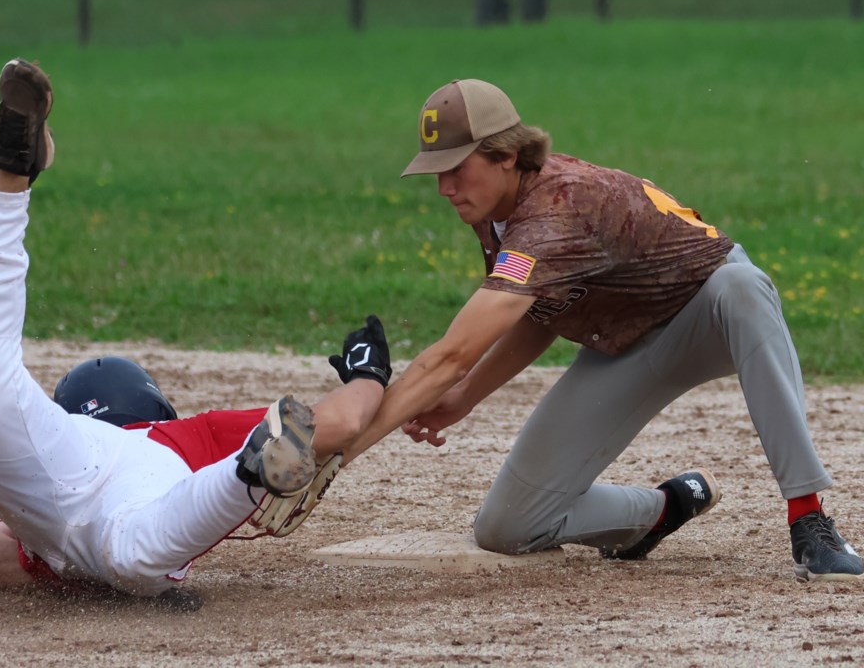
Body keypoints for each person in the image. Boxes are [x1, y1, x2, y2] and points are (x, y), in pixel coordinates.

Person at [341, 78, 862, 582]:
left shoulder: (557, 207)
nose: (443, 187)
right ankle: (657, 512)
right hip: (626, 344)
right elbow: (537, 314)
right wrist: (466, 397)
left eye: (455, 167)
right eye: (437, 171)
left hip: (710, 314)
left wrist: (342, 449)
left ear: (504, 154)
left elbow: (451, 355)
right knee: (508, 527)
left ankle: (809, 517)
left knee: (743, 287)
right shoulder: (496, 206)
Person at [0, 58, 392, 602]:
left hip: (59, 465)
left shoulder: (64, 442)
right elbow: (343, 422)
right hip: (150, 487)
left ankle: (10, 181)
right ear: (154, 407)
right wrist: (368, 375)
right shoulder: (187, 434)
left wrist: (51, 549)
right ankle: (247, 472)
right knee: (137, 553)